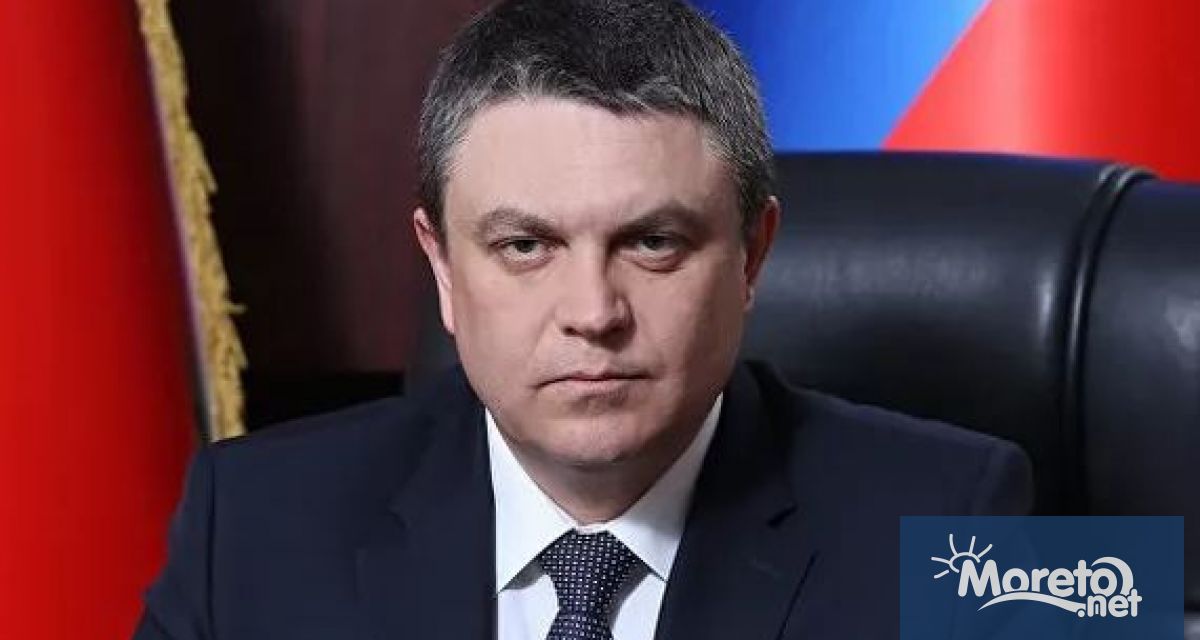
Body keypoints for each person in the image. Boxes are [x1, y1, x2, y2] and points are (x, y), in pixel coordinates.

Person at [134, 0, 1032, 638]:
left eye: (652, 242)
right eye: (526, 246)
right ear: (442, 266)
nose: (593, 313)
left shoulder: (961, 521)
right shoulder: (251, 523)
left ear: (752, 256)